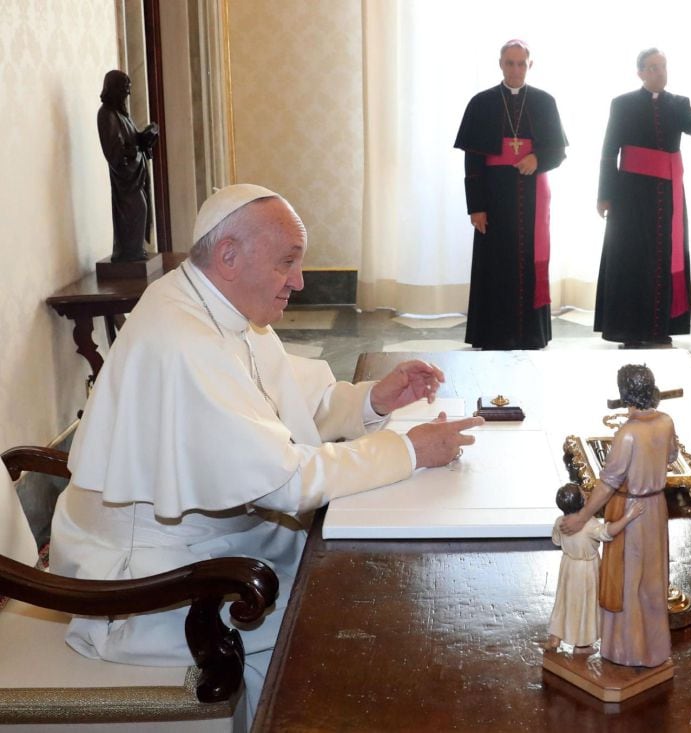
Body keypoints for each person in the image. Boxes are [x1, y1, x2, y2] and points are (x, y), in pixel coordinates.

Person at [49, 184, 484, 724]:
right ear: (229, 256)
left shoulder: (217, 304)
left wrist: (371, 399)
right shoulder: (183, 337)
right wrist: (408, 451)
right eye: (288, 263)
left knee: (369, 581)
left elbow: (287, 408)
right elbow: (285, 481)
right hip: (154, 588)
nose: (299, 283)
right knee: (349, 618)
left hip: (217, 543)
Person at [594, 49, 691, 348]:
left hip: (666, 196)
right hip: (630, 194)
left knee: (662, 258)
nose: (660, 72)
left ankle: (659, 328)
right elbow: (609, 151)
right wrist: (604, 195)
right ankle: (629, 329)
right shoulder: (622, 104)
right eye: (653, 68)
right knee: (631, 258)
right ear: (641, 73)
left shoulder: (678, 103)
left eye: (663, 66)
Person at [453, 40, 568, 349]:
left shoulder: (545, 102)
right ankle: (493, 334)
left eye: (521, 63)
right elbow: (473, 161)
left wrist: (538, 159)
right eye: (509, 63)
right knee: (495, 266)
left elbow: (558, 152)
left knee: (530, 263)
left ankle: (531, 334)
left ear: (530, 65)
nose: (515, 69)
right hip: (494, 196)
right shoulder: (482, 103)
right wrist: (476, 207)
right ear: (500, 64)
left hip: (532, 197)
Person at [561, 364, 678, 667]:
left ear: (625, 394)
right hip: (657, 508)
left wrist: (583, 516)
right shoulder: (666, 421)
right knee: (653, 580)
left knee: (628, 581)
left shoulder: (627, 434)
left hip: (630, 511)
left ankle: (628, 650)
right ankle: (654, 649)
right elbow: (672, 457)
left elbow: (607, 482)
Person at [545, 482, 644, 654]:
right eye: (583, 494)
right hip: (586, 570)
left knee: (564, 601)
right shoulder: (589, 525)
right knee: (585, 604)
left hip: (568, 566)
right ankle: (582, 645)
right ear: (582, 502)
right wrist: (628, 516)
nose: (587, 495)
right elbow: (609, 532)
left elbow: (556, 541)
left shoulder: (560, 522)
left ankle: (556, 636)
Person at [97, 69, 158, 262]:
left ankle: (134, 250)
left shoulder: (122, 114)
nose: (128, 93)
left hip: (135, 175)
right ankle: (129, 252)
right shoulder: (106, 114)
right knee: (135, 209)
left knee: (142, 208)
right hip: (126, 179)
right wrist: (134, 150)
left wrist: (146, 136)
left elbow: (132, 139)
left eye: (129, 88)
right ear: (114, 88)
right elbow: (114, 151)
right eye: (125, 88)